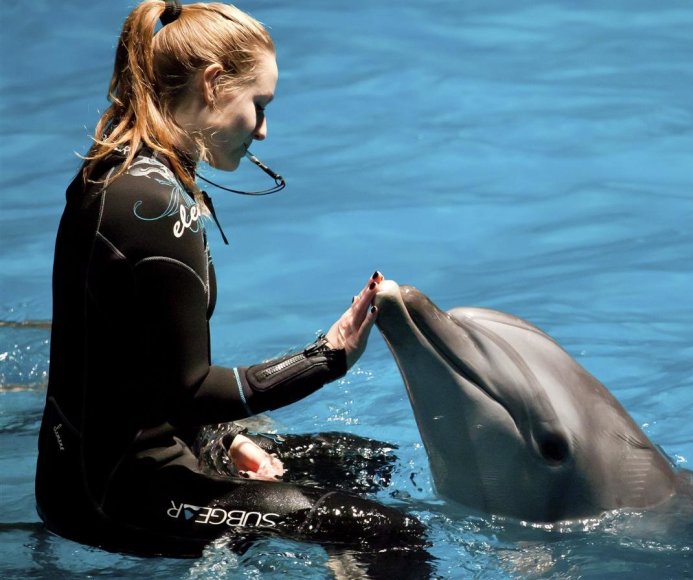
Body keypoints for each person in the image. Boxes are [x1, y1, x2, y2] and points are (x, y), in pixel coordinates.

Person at [34, 0, 429, 574]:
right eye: (259, 105)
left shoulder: (131, 171)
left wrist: (229, 441)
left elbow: (147, 372)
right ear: (214, 84)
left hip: (118, 458)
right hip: (114, 495)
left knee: (362, 462)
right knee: (390, 530)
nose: (264, 130)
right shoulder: (151, 208)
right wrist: (328, 357)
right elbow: (188, 391)